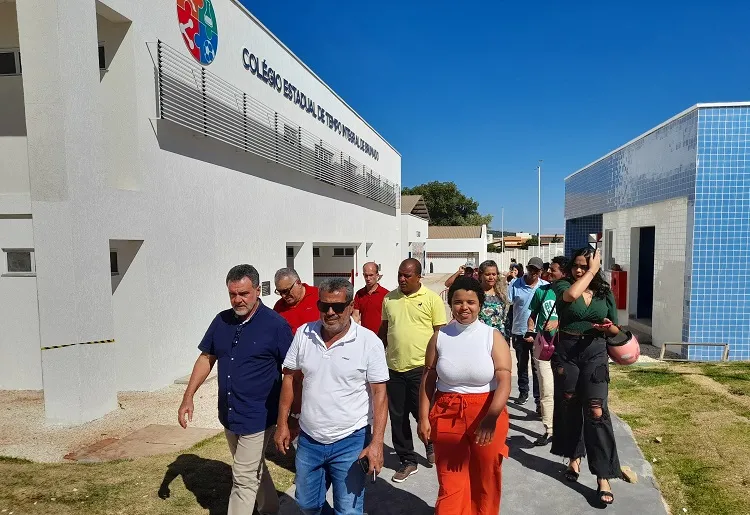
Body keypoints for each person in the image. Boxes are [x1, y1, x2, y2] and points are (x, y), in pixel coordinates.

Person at [178, 264, 293, 515]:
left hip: (259, 416)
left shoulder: (276, 325)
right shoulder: (221, 321)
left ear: (257, 290)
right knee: (251, 468)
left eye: (244, 294)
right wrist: (188, 397)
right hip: (230, 413)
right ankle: (271, 508)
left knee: (242, 477)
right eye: (232, 294)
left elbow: (293, 372)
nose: (237, 300)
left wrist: (289, 418)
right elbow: (206, 358)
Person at [275, 278, 389, 515]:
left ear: (350, 306)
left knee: (348, 511)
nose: (330, 312)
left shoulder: (369, 342)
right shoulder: (304, 334)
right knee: (307, 505)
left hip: (351, 439)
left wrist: (377, 443)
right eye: (324, 305)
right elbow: (290, 378)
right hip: (309, 439)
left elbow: (380, 394)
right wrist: (283, 423)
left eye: (337, 307)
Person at [417, 276, 512, 514]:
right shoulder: (440, 337)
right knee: (450, 480)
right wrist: (423, 417)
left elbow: (504, 380)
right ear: (451, 303)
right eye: (458, 302)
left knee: (486, 476)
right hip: (447, 413)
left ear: (480, 304)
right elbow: (428, 378)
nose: (464, 307)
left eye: (471, 301)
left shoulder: (492, 336)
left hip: (487, 411)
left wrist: (491, 418)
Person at [550, 248, 621, 506]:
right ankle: (574, 457)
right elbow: (572, 295)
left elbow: (614, 327)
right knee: (570, 404)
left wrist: (608, 328)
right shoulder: (562, 286)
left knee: (596, 410)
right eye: (577, 266)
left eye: (585, 266)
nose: (579, 270)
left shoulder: (604, 292)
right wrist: (592, 270)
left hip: (595, 352)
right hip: (567, 353)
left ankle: (604, 475)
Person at [379, 258, 447, 482]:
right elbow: (384, 330)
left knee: (424, 414)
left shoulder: (431, 300)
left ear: (419, 277)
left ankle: (431, 444)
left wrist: (438, 366)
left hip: (422, 369)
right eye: (400, 274)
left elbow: (441, 335)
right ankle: (408, 460)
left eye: (407, 275)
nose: (402, 279)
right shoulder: (389, 298)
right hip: (394, 369)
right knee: (397, 419)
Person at [526, 255, 568, 446]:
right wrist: (531, 330)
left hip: (566, 349)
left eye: (553, 269)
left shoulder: (571, 293)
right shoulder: (542, 292)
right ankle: (549, 430)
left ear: (564, 273)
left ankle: (566, 428)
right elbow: (532, 315)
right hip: (544, 347)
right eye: (549, 269)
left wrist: (558, 322)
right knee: (547, 389)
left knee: (566, 391)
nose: (549, 272)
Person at [508, 257, 548, 409]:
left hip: (539, 333)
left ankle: (538, 399)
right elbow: (509, 302)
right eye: (531, 269)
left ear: (541, 271)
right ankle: (523, 392)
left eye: (536, 270)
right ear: (526, 268)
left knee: (537, 367)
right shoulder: (515, 284)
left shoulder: (546, 287)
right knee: (522, 365)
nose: (533, 273)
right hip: (519, 331)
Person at [273, 268, 319, 334]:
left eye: (286, 291)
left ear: (298, 283)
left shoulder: (319, 296)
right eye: (280, 292)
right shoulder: (279, 307)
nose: (283, 296)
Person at [352, 262, 389, 334]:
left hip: (381, 336)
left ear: (377, 275)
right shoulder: (359, 294)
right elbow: (355, 316)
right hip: (364, 336)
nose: (368, 278)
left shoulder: (386, 295)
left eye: (371, 275)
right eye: (366, 275)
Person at [476, 260, 509, 336]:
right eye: (487, 274)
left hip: (498, 337)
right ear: (481, 275)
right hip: (480, 336)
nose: (491, 277)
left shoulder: (501, 294)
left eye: (494, 274)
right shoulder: (475, 294)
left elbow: (505, 319)